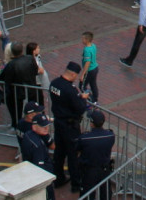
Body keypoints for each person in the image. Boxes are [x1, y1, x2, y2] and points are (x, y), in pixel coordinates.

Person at [50, 60, 90, 193]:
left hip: (58, 122)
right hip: (70, 126)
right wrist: (83, 98)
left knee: (59, 152)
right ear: (73, 75)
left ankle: (58, 178)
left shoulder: (54, 83)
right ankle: (76, 184)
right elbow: (79, 108)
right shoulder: (70, 90)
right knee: (73, 155)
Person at [76, 110, 116, 198]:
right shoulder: (110, 136)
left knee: (87, 195)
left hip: (89, 170)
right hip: (105, 169)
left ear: (91, 123)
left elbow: (78, 150)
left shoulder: (84, 138)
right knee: (105, 194)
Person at [20, 113, 56, 200]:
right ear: (34, 126)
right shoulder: (37, 146)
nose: (46, 128)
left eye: (47, 125)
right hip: (43, 179)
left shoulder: (28, 134)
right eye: (43, 126)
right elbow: (40, 170)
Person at [80, 31, 99, 102]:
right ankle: (95, 99)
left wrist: (82, 74)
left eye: (83, 39)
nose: (82, 40)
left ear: (87, 40)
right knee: (93, 84)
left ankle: (89, 98)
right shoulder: (93, 45)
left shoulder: (86, 50)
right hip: (95, 68)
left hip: (89, 70)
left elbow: (87, 63)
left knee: (82, 86)